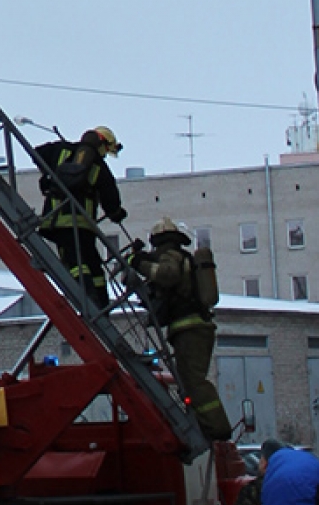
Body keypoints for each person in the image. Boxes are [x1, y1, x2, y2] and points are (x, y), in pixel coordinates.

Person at [127, 217, 230, 441]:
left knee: (193, 380)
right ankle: (204, 423)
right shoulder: (179, 257)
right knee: (189, 380)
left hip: (189, 328)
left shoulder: (171, 256)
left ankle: (217, 427)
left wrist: (139, 263)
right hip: (191, 328)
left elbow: (167, 275)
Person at [37, 126, 126, 304]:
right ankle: (98, 300)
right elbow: (112, 203)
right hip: (82, 226)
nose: (105, 155)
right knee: (90, 264)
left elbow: (37, 153)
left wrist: (50, 172)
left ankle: (91, 295)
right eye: (106, 150)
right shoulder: (100, 167)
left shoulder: (60, 149)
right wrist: (117, 214)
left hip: (54, 221)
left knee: (75, 260)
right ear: (102, 144)